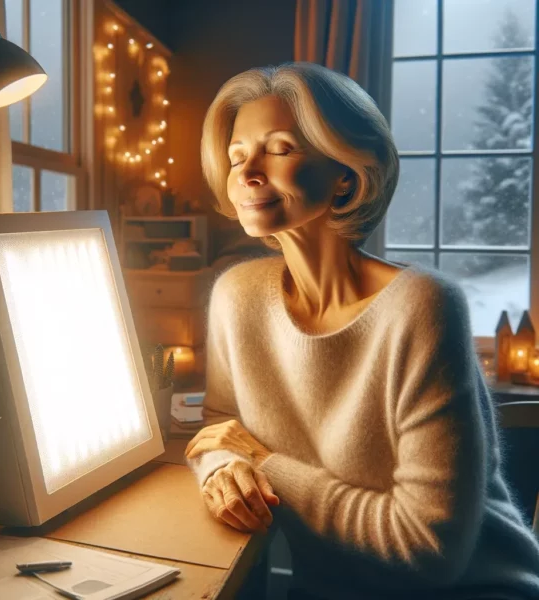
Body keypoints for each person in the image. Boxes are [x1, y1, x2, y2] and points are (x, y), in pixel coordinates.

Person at [183, 62, 539, 600]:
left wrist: (262, 463)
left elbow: (426, 549)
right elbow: (219, 427)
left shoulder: (423, 306)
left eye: (278, 149)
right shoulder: (236, 295)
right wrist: (221, 469)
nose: (248, 173)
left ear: (346, 174)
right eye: (237, 156)